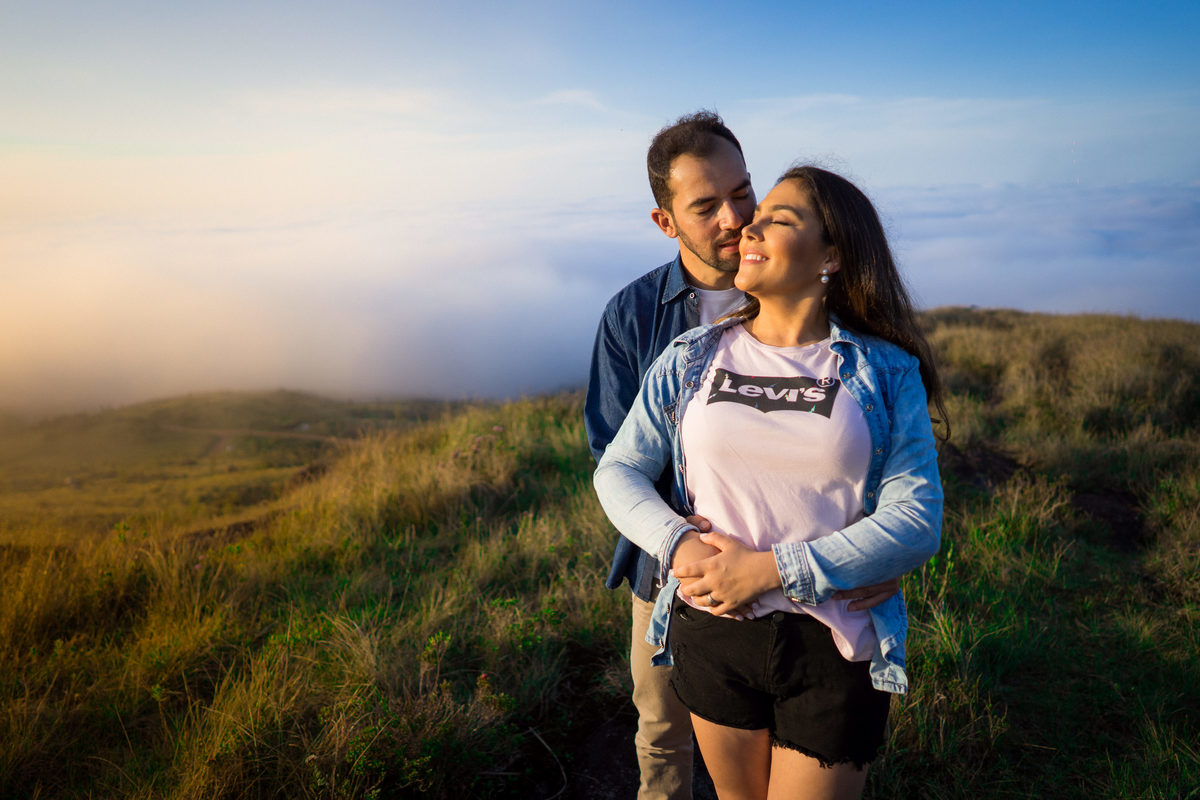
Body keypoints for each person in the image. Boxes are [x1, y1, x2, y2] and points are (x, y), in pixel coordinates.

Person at [593, 164, 947, 800]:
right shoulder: (691, 357)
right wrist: (679, 543)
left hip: (832, 642)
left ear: (831, 256)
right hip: (712, 627)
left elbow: (916, 520)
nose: (746, 229)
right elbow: (618, 468)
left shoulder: (884, 371)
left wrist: (770, 571)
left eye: (774, 220)